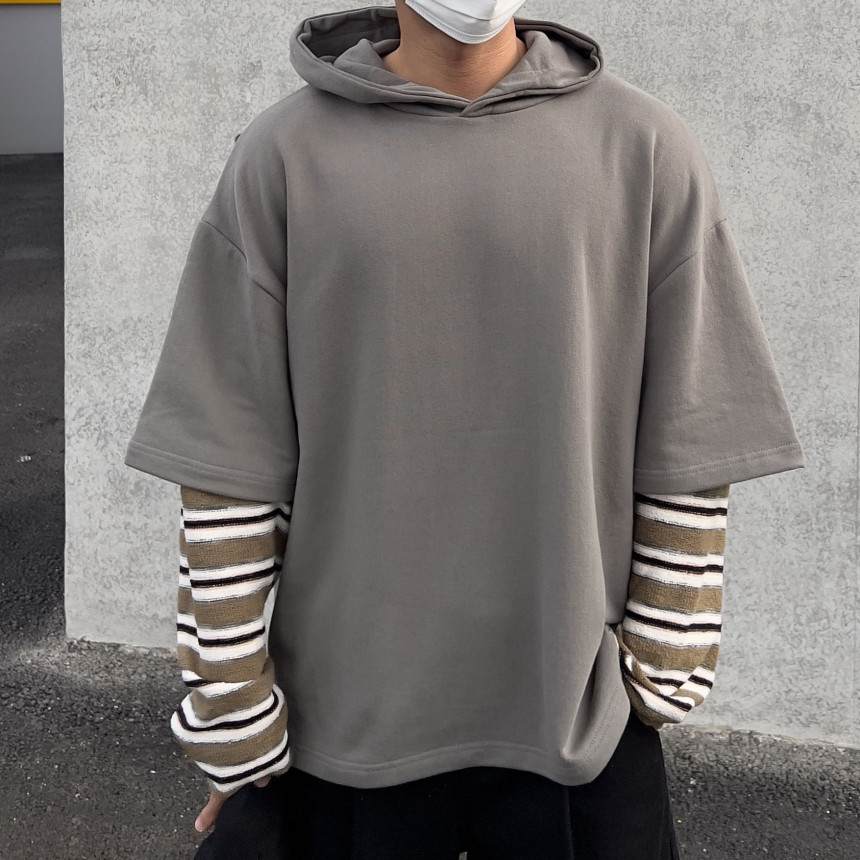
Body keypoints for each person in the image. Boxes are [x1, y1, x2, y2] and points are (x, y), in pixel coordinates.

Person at [124, 1, 805, 857]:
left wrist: (663, 662)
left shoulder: (644, 148)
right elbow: (229, 455)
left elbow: (693, 429)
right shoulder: (284, 156)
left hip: (576, 722)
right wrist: (232, 706)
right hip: (340, 725)